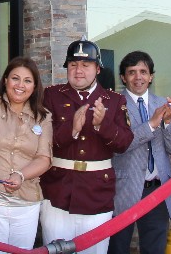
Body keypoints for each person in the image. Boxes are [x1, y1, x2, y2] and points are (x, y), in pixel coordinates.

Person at [40, 39, 134, 254]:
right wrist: (71, 129)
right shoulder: (51, 96)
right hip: (57, 191)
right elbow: (40, 141)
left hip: (96, 195)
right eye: (73, 65)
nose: (78, 71)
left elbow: (125, 143)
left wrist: (104, 126)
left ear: (97, 68)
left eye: (86, 65)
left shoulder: (114, 100)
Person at [0, 18, 52, 253]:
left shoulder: (43, 117)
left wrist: (20, 175)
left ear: (35, 87)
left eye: (28, 81)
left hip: (26, 202)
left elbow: (43, 158)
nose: (20, 85)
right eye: (15, 78)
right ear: (5, 80)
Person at [108, 51, 171, 254]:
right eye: (131, 72)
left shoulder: (162, 104)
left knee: (155, 248)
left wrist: (168, 122)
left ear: (151, 76)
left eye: (143, 72)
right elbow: (118, 145)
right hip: (123, 188)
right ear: (123, 78)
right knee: (117, 247)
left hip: (157, 189)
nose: (138, 77)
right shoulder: (113, 104)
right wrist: (151, 124)